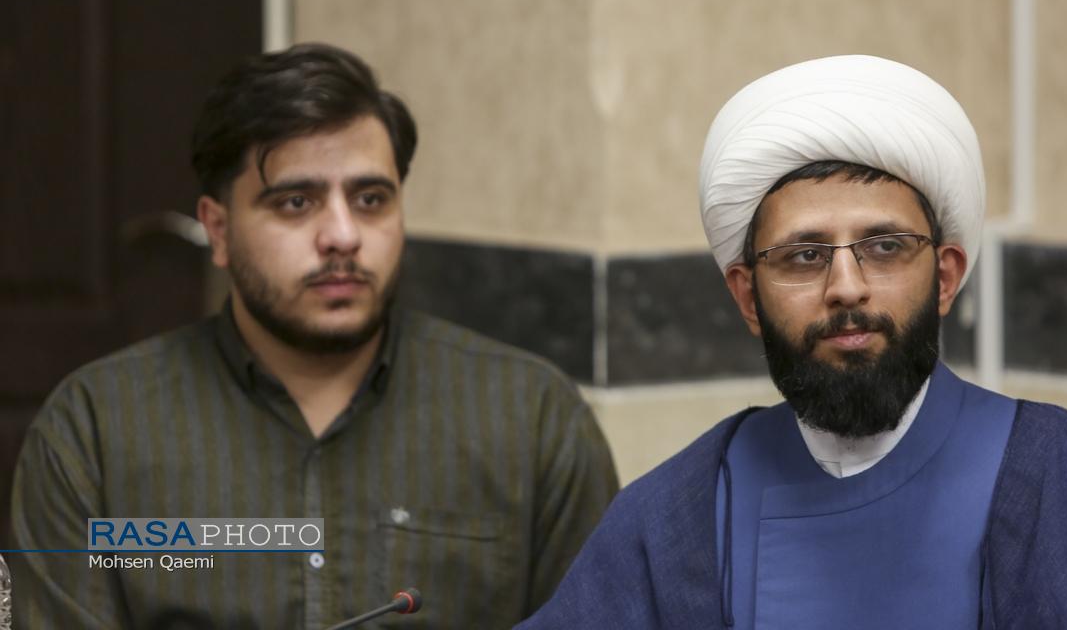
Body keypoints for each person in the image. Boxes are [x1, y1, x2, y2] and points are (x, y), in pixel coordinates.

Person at [517, 54, 1067, 629]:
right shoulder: (681, 514)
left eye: (884, 247)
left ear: (945, 277)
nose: (846, 288)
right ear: (748, 297)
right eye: (803, 256)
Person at [10, 43, 618, 628]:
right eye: (296, 202)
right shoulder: (94, 432)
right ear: (218, 230)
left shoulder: (533, 421)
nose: (343, 236)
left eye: (371, 199)